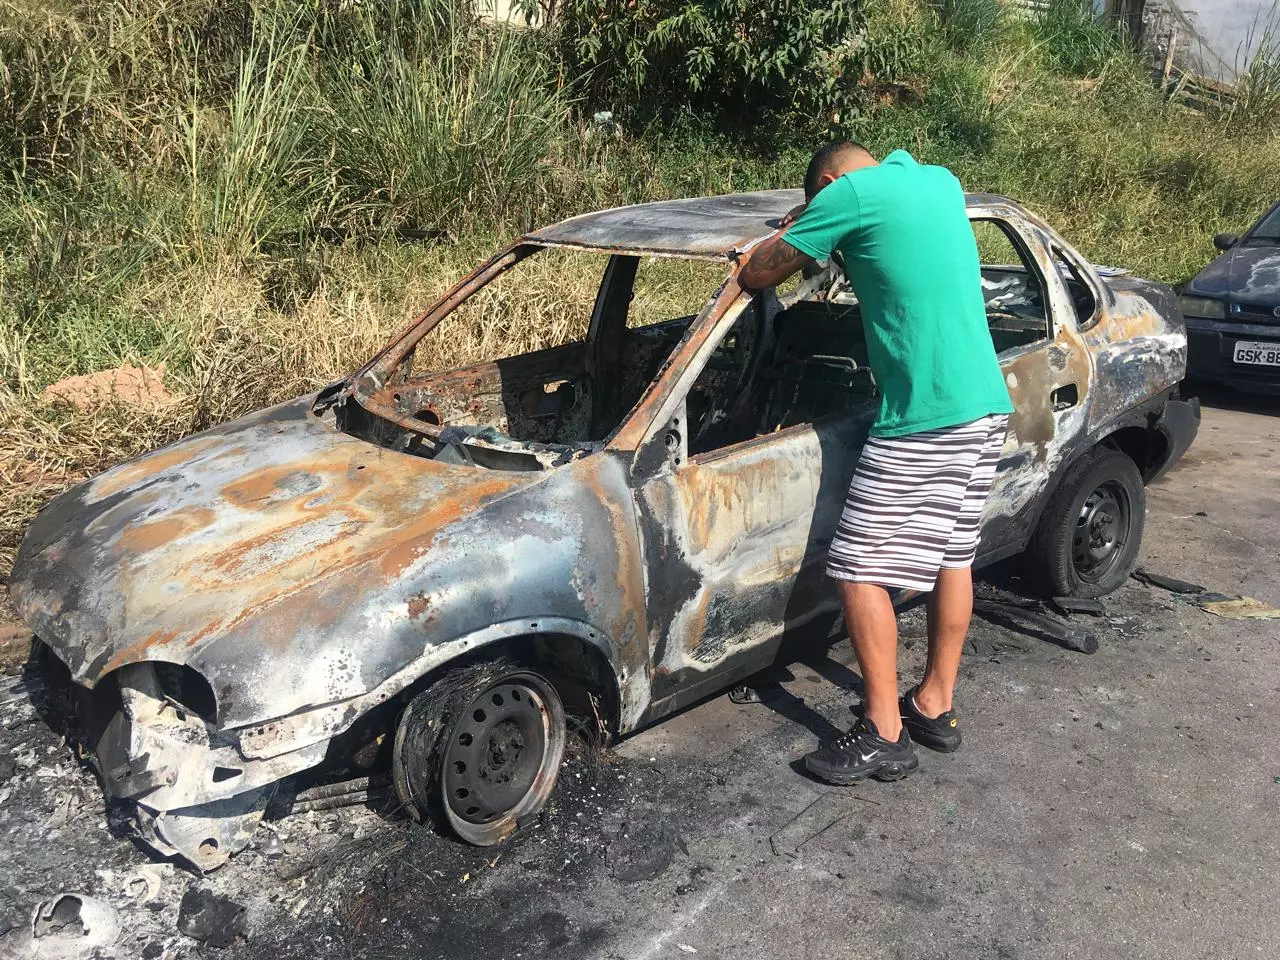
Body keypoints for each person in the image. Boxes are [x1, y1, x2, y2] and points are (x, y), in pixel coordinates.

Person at [739, 142, 1013, 785]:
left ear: (828, 183)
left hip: (927, 413)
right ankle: (934, 704)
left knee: (857, 565)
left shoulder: (845, 196)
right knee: (953, 556)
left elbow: (757, 276)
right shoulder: (940, 179)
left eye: (820, 201)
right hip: (984, 403)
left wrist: (789, 235)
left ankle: (884, 732)